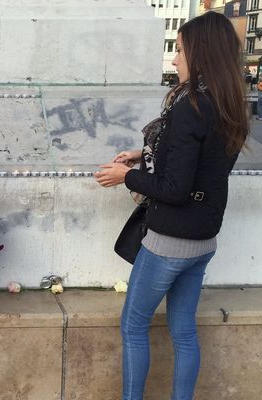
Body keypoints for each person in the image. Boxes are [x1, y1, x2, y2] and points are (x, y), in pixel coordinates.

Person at [94, 12, 249, 400]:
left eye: (180, 50)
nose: (175, 59)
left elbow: (174, 188)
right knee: (183, 330)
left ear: (200, 53)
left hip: (170, 242)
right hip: (204, 241)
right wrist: (141, 154)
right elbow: (201, 167)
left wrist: (123, 176)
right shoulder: (228, 105)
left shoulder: (189, 107)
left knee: (133, 324)